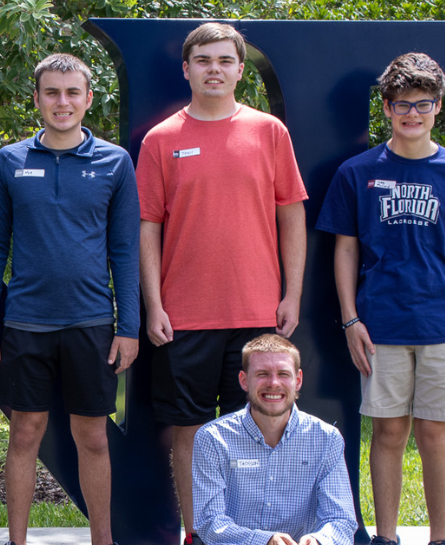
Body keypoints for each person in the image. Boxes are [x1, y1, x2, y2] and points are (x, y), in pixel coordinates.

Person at [134, 22, 308, 543]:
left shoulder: (269, 132)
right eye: (204, 60)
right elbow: (148, 227)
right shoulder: (161, 139)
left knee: (253, 435)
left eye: (225, 60)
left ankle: (246, 534)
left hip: (257, 313)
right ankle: (198, 532)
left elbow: (292, 217)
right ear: (186, 70)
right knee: (188, 432)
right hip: (183, 315)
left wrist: (292, 294)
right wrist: (153, 304)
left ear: (239, 70)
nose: (215, 69)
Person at [315, 53, 445, 545]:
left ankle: (441, 538)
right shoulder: (358, 172)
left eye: (423, 104)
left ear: (438, 107)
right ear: (387, 108)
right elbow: (345, 249)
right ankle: (385, 538)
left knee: (438, 435)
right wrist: (351, 319)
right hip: (382, 324)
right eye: (401, 104)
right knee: (388, 434)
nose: (412, 114)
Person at [0, 52, 140, 545]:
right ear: (39, 98)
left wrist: (127, 325)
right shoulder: (9, 161)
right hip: (24, 323)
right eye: (52, 92)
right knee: (25, 434)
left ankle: (101, 540)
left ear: (88, 99)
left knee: (92, 436)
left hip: (91, 324)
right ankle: (17, 541)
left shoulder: (114, 162)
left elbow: (124, 251)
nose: (61, 102)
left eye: (72, 93)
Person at [192, 334, 356, 545]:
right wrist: (264, 541)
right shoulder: (212, 439)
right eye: (262, 374)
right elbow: (209, 523)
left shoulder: (326, 439)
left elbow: (341, 520)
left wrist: (318, 541)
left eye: (283, 374)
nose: (273, 383)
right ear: (244, 380)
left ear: (298, 380)